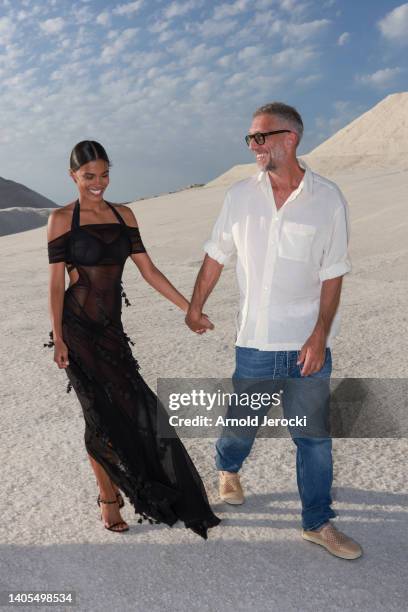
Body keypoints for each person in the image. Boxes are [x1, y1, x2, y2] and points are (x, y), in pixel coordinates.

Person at [185, 102, 362, 559]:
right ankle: (227, 467)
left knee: (314, 438)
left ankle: (317, 522)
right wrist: (195, 305)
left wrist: (320, 333)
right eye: (250, 138)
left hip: (307, 345)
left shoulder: (328, 198)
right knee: (244, 423)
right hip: (256, 342)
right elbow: (215, 254)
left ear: (291, 138)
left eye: (262, 137)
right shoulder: (239, 196)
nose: (254, 146)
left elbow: (333, 271)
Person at [45, 140, 220, 539]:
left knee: (139, 409)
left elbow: (149, 271)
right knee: (98, 416)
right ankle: (108, 497)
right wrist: (58, 338)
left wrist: (189, 309)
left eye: (105, 174)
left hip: (111, 334)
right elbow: (56, 286)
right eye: (89, 176)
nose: (98, 183)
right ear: (73, 176)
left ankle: (158, 486)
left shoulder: (124, 216)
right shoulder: (60, 220)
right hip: (76, 331)